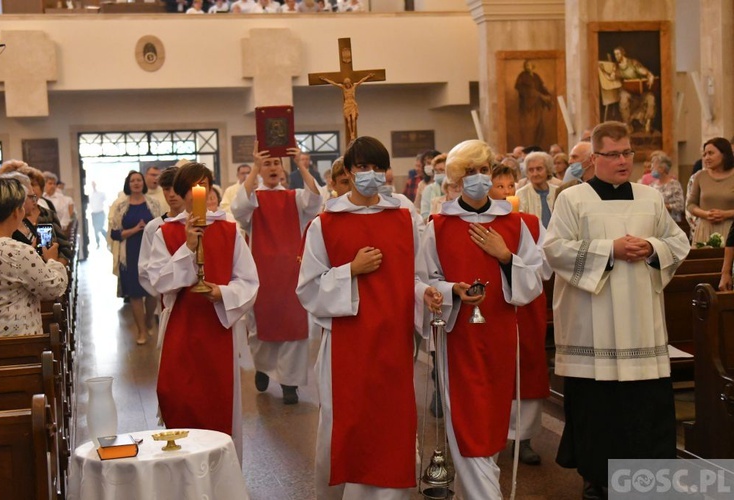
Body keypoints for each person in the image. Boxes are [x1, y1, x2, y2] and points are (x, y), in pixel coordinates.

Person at [543, 121, 690, 498]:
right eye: (613, 154)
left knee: (645, 409)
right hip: (595, 328)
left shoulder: (650, 197)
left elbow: (677, 240)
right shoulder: (572, 199)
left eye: (627, 153)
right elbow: (555, 249)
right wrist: (611, 250)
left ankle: (648, 482)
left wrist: (653, 248)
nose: (623, 160)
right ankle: (598, 479)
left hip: (642, 324)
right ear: (595, 158)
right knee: (600, 411)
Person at [297, 136, 438, 499]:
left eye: (378, 167)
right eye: (362, 167)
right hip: (348, 342)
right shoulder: (324, 224)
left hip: (393, 341)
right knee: (350, 424)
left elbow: (416, 276)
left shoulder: (403, 218)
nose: (371, 174)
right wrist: (350, 270)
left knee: (391, 424)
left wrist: (428, 294)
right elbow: (308, 289)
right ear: (348, 171)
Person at [419, 139, 543, 498]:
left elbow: (534, 280)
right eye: (469, 172)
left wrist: (506, 257)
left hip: (501, 332)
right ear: (457, 179)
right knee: (467, 416)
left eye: (483, 170)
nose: (478, 178)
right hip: (458, 336)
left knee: (492, 416)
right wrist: (450, 290)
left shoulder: (514, 223)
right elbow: (422, 279)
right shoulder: (439, 225)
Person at [148, 162, 258, 463]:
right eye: (194, 188)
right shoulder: (166, 232)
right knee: (179, 399)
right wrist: (188, 246)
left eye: (205, 187)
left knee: (218, 405)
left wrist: (221, 292)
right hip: (182, 330)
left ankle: (221, 480)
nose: (202, 194)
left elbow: (248, 281)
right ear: (183, 195)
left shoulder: (230, 230)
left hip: (218, 330)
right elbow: (158, 280)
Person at [231, 143, 322, 404]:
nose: (272, 168)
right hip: (262, 273)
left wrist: (301, 167)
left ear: (283, 170)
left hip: (292, 272)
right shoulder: (254, 199)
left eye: (276, 164)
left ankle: (289, 384)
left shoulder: (294, 197)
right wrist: (254, 168)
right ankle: (262, 368)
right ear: (261, 170)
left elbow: (316, 199)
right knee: (261, 329)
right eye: (267, 164)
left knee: (294, 328)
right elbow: (238, 208)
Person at [487, 163, 551, 466]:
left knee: (527, 368)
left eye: (511, 186)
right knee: (494, 370)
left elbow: (546, 264)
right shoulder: (477, 222)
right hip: (492, 307)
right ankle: (494, 435)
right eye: (499, 187)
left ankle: (524, 438)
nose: (506, 192)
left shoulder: (531, 223)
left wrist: (513, 262)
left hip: (526, 308)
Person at [0, 177, 67, 338]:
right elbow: (53, 288)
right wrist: (52, 261)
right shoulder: (19, 251)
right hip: (19, 342)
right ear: (16, 212)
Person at [110, 171, 162, 345]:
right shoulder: (120, 206)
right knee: (135, 294)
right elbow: (115, 233)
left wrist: (149, 229)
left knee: (152, 291)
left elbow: (162, 228)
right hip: (130, 253)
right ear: (128, 184)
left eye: (139, 180)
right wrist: (135, 229)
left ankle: (148, 320)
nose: (136, 183)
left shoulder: (153, 204)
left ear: (143, 183)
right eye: (132, 181)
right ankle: (141, 330)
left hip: (151, 253)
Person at [138, 166, 184, 298]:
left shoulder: (197, 224)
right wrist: (164, 293)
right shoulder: (154, 227)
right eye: (166, 189)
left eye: (176, 188)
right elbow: (144, 268)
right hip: (167, 297)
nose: (171, 194)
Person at [686, 137, 734, 245]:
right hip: (705, 229)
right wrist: (706, 214)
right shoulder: (700, 176)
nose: (706, 157)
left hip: (731, 229)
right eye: (704, 154)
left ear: (724, 154)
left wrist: (726, 214)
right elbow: (691, 204)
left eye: (711, 153)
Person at [603, 47, 656, 133]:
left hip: (640, 91)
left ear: (623, 53)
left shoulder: (633, 63)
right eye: (615, 54)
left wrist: (650, 76)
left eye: (618, 54)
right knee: (623, 98)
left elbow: (645, 72)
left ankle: (648, 123)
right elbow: (611, 77)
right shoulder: (616, 67)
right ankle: (627, 125)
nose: (616, 56)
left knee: (650, 98)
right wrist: (602, 71)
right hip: (628, 92)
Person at [320, 73, 375, 142]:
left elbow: (361, 81)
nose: (347, 85)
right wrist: (325, 79)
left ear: (350, 83)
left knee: (353, 119)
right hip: (347, 104)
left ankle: (353, 133)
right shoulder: (343, 88)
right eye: (346, 84)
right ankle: (351, 133)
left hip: (352, 104)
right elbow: (334, 83)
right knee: (348, 120)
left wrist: (368, 76)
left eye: (348, 83)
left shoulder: (354, 87)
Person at [515, 60, 552, 148]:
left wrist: (547, 95)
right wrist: (537, 94)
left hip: (537, 105)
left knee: (539, 125)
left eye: (530, 65)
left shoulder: (536, 76)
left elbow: (541, 87)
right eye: (526, 65)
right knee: (529, 126)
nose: (528, 67)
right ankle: (528, 145)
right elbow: (519, 87)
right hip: (528, 105)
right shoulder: (522, 76)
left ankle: (537, 144)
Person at [516, 151, 557, 228]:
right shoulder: (521, 194)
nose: (535, 174)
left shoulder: (558, 191)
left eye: (539, 169)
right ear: (527, 173)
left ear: (548, 170)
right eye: (531, 170)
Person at [649, 152, 684, 223]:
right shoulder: (652, 186)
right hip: (655, 224)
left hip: (672, 223)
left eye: (653, 167)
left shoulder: (674, 185)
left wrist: (663, 206)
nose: (651, 169)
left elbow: (680, 206)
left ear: (662, 169)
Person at [420, 153, 447, 221]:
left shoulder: (456, 189)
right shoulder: (429, 189)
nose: (438, 174)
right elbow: (424, 215)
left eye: (441, 170)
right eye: (436, 171)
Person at [89, 181, 108, 249]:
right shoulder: (91, 195)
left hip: (100, 213)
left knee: (100, 227)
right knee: (95, 229)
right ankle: (98, 243)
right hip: (94, 214)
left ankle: (107, 238)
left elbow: (105, 201)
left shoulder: (101, 194)